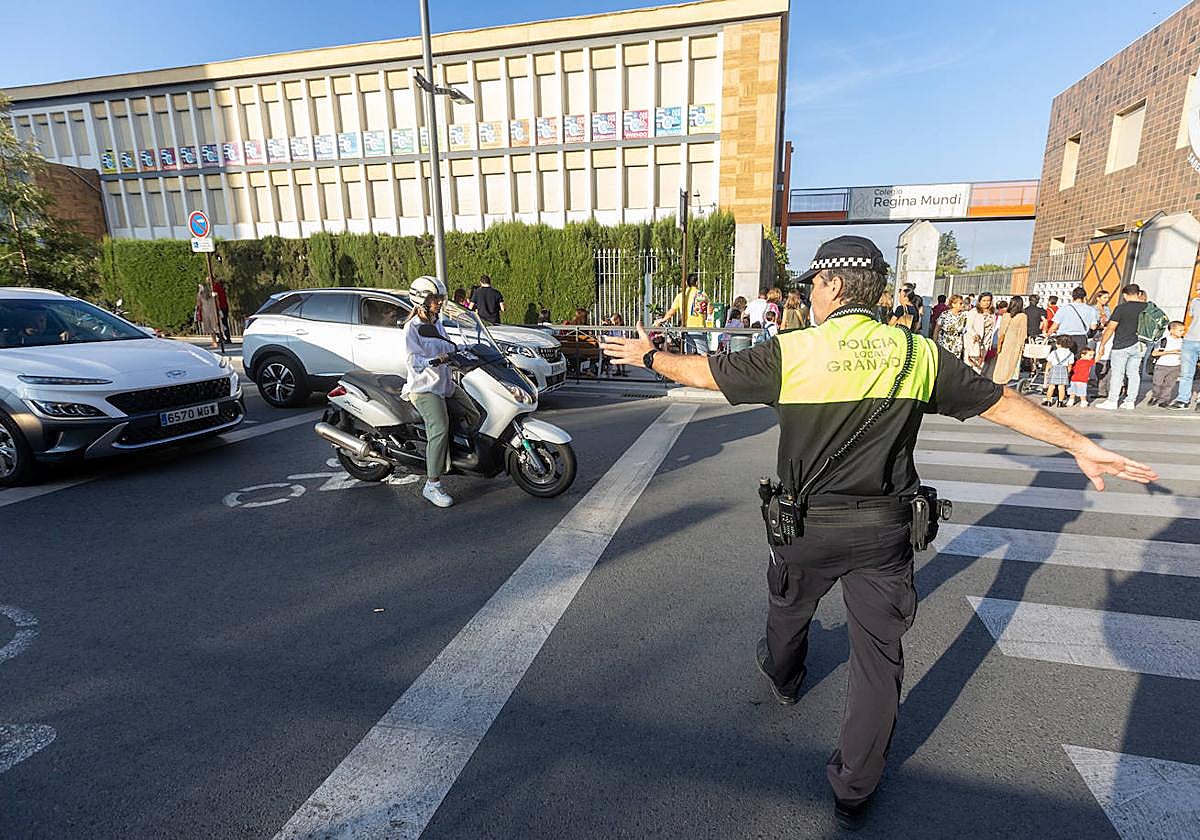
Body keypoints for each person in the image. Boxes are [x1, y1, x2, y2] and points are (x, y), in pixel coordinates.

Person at [599, 234, 1155, 831]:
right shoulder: (919, 355)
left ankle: (785, 675)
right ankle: (855, 788)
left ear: (833, 287)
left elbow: (705, 374)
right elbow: (1000, 403)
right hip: (883, 533)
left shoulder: (794, 352)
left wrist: (649, 355)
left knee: (788, 611)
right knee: (878, 659)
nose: (810, 293)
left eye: (813, 283)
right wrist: (1077, 444)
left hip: (804, 527)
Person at [402, 276, 457, 508]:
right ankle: (432, 484)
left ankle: (456, 459)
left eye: (440, 298)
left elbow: (448, 345)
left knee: (474, 414)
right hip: (425, 388)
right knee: (440, 429)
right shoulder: (412, 328)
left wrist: (470, 350)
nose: (439, 303)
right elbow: (414, 362)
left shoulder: (436, 323)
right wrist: (436, 360)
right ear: (421, 300)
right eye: (435, 299)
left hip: (444, 384)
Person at [1095, 284, 1148, 410]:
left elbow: (1111, 328)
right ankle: (1130, 401)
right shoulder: (1147, 307)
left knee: (1117, 374)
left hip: (1121, 345)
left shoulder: (1121, 308)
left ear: (1125, 295)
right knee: (1134, 373)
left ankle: (1113, 401)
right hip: (1140, 344)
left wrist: (1102, 345)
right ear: (1138, 293)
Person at [654, 274, 710, 355]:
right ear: (697, 282)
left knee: (688, 354)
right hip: (699, 327)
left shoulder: (681, 295)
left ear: (687, 283)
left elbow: (671, 312)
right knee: (703, 354)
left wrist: (662, 320)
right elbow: (709, 311)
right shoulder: (703, 295)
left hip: (686, 328)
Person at [1167, 295, 1200, 410]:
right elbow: (1192, 317)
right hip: (1190, 340)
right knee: (1186, 373)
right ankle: (1183, 399)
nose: (1198, 291)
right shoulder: (1195, 302)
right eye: (1197, 289)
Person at [1049, 286, 1098, 355]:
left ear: (1072, 297)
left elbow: (1054, 326)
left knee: (1063, 360)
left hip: (1064, 338)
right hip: (1081, 338)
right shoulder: (1091, 310)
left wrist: (1048, 334)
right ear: (1084, 297)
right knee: (1077, 361)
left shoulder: (1064, 308)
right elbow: (1093, 327)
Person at [1148, 321, 1186, 406]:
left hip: (1176, 366)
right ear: (1172, 330)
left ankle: (1164, 400)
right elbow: (1154, 353)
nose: (1182, 332)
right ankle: (1155, 396)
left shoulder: (1184, 341)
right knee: (1157, 383)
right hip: (1162, 365)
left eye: (1183, 330)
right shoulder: (1164, 340)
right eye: (1180, 330)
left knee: (1169, 385)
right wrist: (1171, 352)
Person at [992, 296, 1027, 385]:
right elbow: (1022, 333)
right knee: (1011, 361)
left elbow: (1001, 331)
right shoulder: (1022, 316)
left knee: (1001, 361)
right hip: (1015, 342)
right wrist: (1022, 346)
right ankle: (1005, 380)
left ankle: (997, 379)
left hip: (1004, 341)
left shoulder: (1006, 315)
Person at [964, 292, 995, 374]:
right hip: (974, 342)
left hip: (986, 343)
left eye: (988, 300)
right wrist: (975, 334)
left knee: (980, 366)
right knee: (969, 365)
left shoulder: (992, 313)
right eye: (984, 300)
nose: (986, 303)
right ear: (979, 301)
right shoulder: (974, 311)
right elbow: (969, 327)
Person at [933, 294, 968, 360]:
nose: (962, 305)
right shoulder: (945, 314)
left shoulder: (964, 315)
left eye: (962, 303)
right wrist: (934, 342)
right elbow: (937, 329)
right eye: (960, 303)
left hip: (957, 342)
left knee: (954, 362)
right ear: (953, 304)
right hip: (944, 341)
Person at [1043, 336, 1074, 407]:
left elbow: (1049, 363)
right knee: (1061, 387)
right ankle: (1060, 402)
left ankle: (1048, 401)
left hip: (1054, 369)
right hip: (1063, 369)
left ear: (1059, 344)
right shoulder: (1070, 354)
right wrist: (1068, 372)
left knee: (1051, 386)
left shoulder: (1054, 352)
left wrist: (1047, 371)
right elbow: (1070, 365)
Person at [195, 281, 222, 350]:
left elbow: (199, 304)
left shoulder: (210, 295)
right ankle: (215, 340)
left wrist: (219, 310)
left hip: (210, 312)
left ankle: (216, 340)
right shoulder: (201, 295)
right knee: (212, 328)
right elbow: (199, 304)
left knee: (214, 327)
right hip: (208, 312)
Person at [211, 276, 231, 343]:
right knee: (223, 322)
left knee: (219, 323)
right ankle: (225, 337)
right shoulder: (220, 286)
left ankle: (222, 337)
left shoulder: (215, 287)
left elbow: (216, 299)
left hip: (220, 307)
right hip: (223, 307)